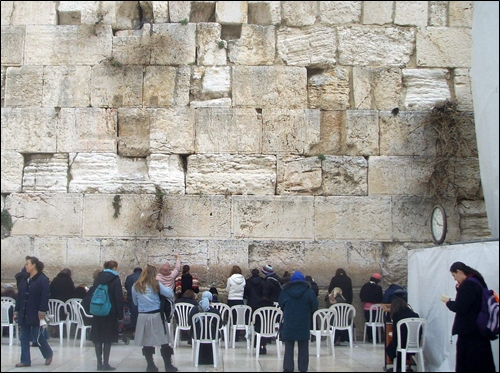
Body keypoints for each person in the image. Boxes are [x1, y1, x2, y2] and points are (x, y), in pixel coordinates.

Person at [440, 261, 495, 372]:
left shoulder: (469, 284)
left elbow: (460, 307)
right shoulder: (477, 281)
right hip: (479, 328)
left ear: (459, 272)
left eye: (454, 275)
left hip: (470, 330)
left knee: (469, 362)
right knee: (483, 361)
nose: (455, 279)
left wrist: (448, 302)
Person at [132, 264, 178, 372]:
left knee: (147, 341)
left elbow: (135, 302)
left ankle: (151, 365)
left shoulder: (135, 286)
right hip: (156, 315)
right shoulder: (156, 284)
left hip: (143, 315)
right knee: (164, 340)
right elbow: (169, 294)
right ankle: (168, 365)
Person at [13, 256, 53, 368]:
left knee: (37, 336)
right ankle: (25, 360)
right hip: (24, 311)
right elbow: (20, 295)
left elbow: (44, 296)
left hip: (36, 312)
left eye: (27, 264)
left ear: (34, 265)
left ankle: (48, 353)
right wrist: (16, 310)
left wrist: (42, 311)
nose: (25, 266)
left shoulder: (42, 279)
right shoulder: (25, 279)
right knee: (24, 337)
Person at [85, 260, 124, 371]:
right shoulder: (115, 279)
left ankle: (99, 363)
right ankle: (106, 363)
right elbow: (118, 297)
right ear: (115, 268)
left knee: (97, 338)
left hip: (98, 311)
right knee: (107, 339)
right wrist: (119, 314)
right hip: (109, 312)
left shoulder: (98, 277)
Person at [278, 271, 318, 373]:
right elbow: (314, 306)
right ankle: (303, 368)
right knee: (303, 347)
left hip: (289, 322)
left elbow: (281, 304)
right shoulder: (309, 292)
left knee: (289, 347)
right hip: (303, 323)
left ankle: (288, 368)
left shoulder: (285, 292)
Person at [385, 297, 420, 371]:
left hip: (402, 342)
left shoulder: (396, 315)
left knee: (392, 347)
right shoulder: (415, 315)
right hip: (415, 342)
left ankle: (397, 367)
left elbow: (395, 332)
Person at [188, 297, 221, 365]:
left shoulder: (194, 310)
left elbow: (189, 322)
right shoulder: (215, 311)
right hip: (213, 335)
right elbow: (220, 325)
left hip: (197, 335)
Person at [359, 272, 383, 343]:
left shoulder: (365, 286)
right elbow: (380, 298)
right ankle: (376, 338)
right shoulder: (378, 288)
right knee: (375, 323)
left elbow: (361, 296)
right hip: (376, 308)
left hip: (367, 307)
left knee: (369, 322)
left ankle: (369, 337)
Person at [226, 265, 246, 342]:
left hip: (231, 299)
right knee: (238, 318)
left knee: (230, 317)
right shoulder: (243, 279)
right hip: (240, 299)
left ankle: (230, 335)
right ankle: (236, 336)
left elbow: (227, 289)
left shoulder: (230, 279)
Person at [125, 267, 142, 334]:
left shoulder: (129, 277)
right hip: (140, 297)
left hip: (131, 297)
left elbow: (126, 286)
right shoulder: (142, 277)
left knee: (132, 314)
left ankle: (132, 329)